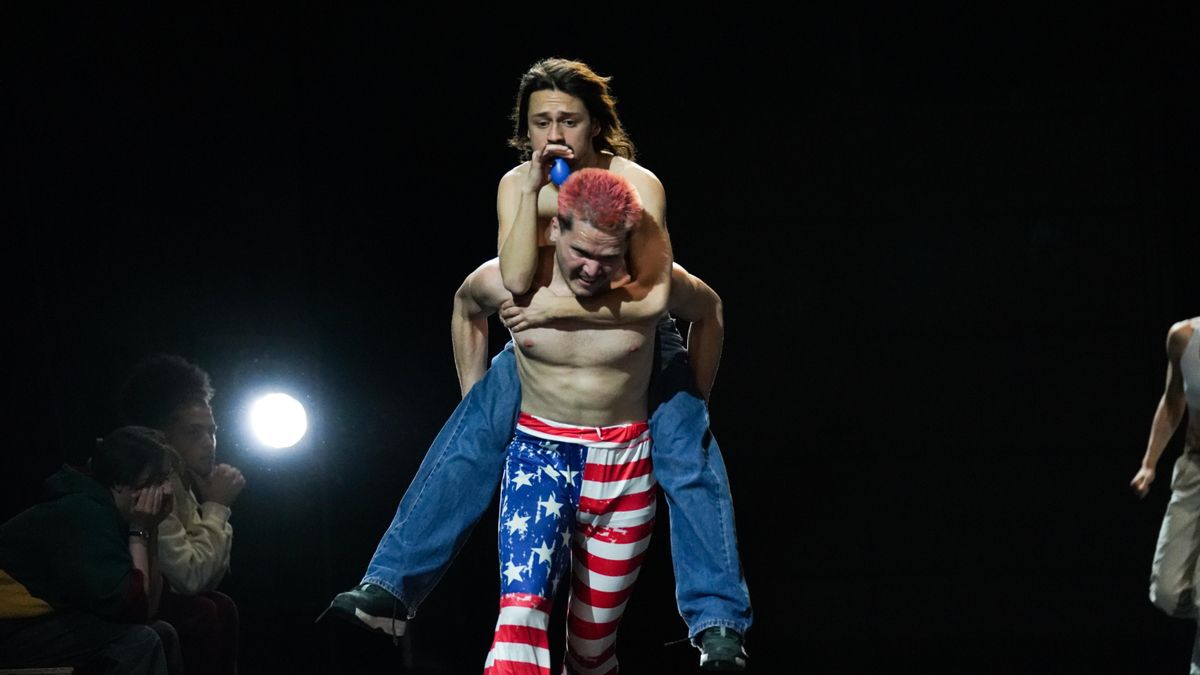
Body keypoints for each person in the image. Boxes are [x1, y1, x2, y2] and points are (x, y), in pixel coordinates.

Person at [324, 58, 750, 670]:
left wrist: (690, 399)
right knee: (471, 435)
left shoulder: (634, 182)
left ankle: (717, 626)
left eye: (569, 121)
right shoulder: (517, 184)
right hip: (543, 369)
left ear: (594, 126)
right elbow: (518, 278)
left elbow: (653, 299)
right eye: (541, 122)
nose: (555, 135)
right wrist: (481, 403)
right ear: (524, 130)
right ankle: (390, 590)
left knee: (693, 459)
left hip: (645, 346)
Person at [0, 426, 177, 674]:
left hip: (38, 625)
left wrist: (152, 528)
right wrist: (139, 530)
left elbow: (150, 609)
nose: (166, 491)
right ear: (119, 481)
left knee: (162, 633)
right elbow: (134, 608)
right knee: (138, 642)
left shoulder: (110, 512)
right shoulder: (82, 512)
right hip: (10, 628)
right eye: (156, 481)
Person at [118, 354, 244, 675]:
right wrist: (217, 506)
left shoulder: (184, 480)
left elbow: (210, 576)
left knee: (219, 604)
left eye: (212, 432)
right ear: (160, 436)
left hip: (155, 598)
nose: (209, 443)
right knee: (203, 610)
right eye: (194, 433)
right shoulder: (150, 480)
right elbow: (189, 578)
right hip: (120, 606)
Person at [1132, 316, 1200, 673]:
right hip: (1194, 473)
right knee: (1168, 592)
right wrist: (1149, 463)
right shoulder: (1185, 338)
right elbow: (1173, 400)